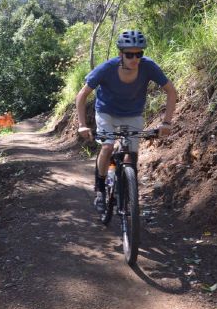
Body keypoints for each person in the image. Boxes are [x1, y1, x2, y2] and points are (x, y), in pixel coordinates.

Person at [75, 30, 177, 213]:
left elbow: (171, 91)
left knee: (131, 153)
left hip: (132, 114)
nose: (135, 59)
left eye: (139, 54)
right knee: (107, 146)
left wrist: (167, 123)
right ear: (120, 54)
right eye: (129, 54)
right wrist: (82, 125)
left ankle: (130, 191)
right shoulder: (106, 68)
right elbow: (82, 95)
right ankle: (100, 190)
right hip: (106, 112)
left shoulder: (148, 67)